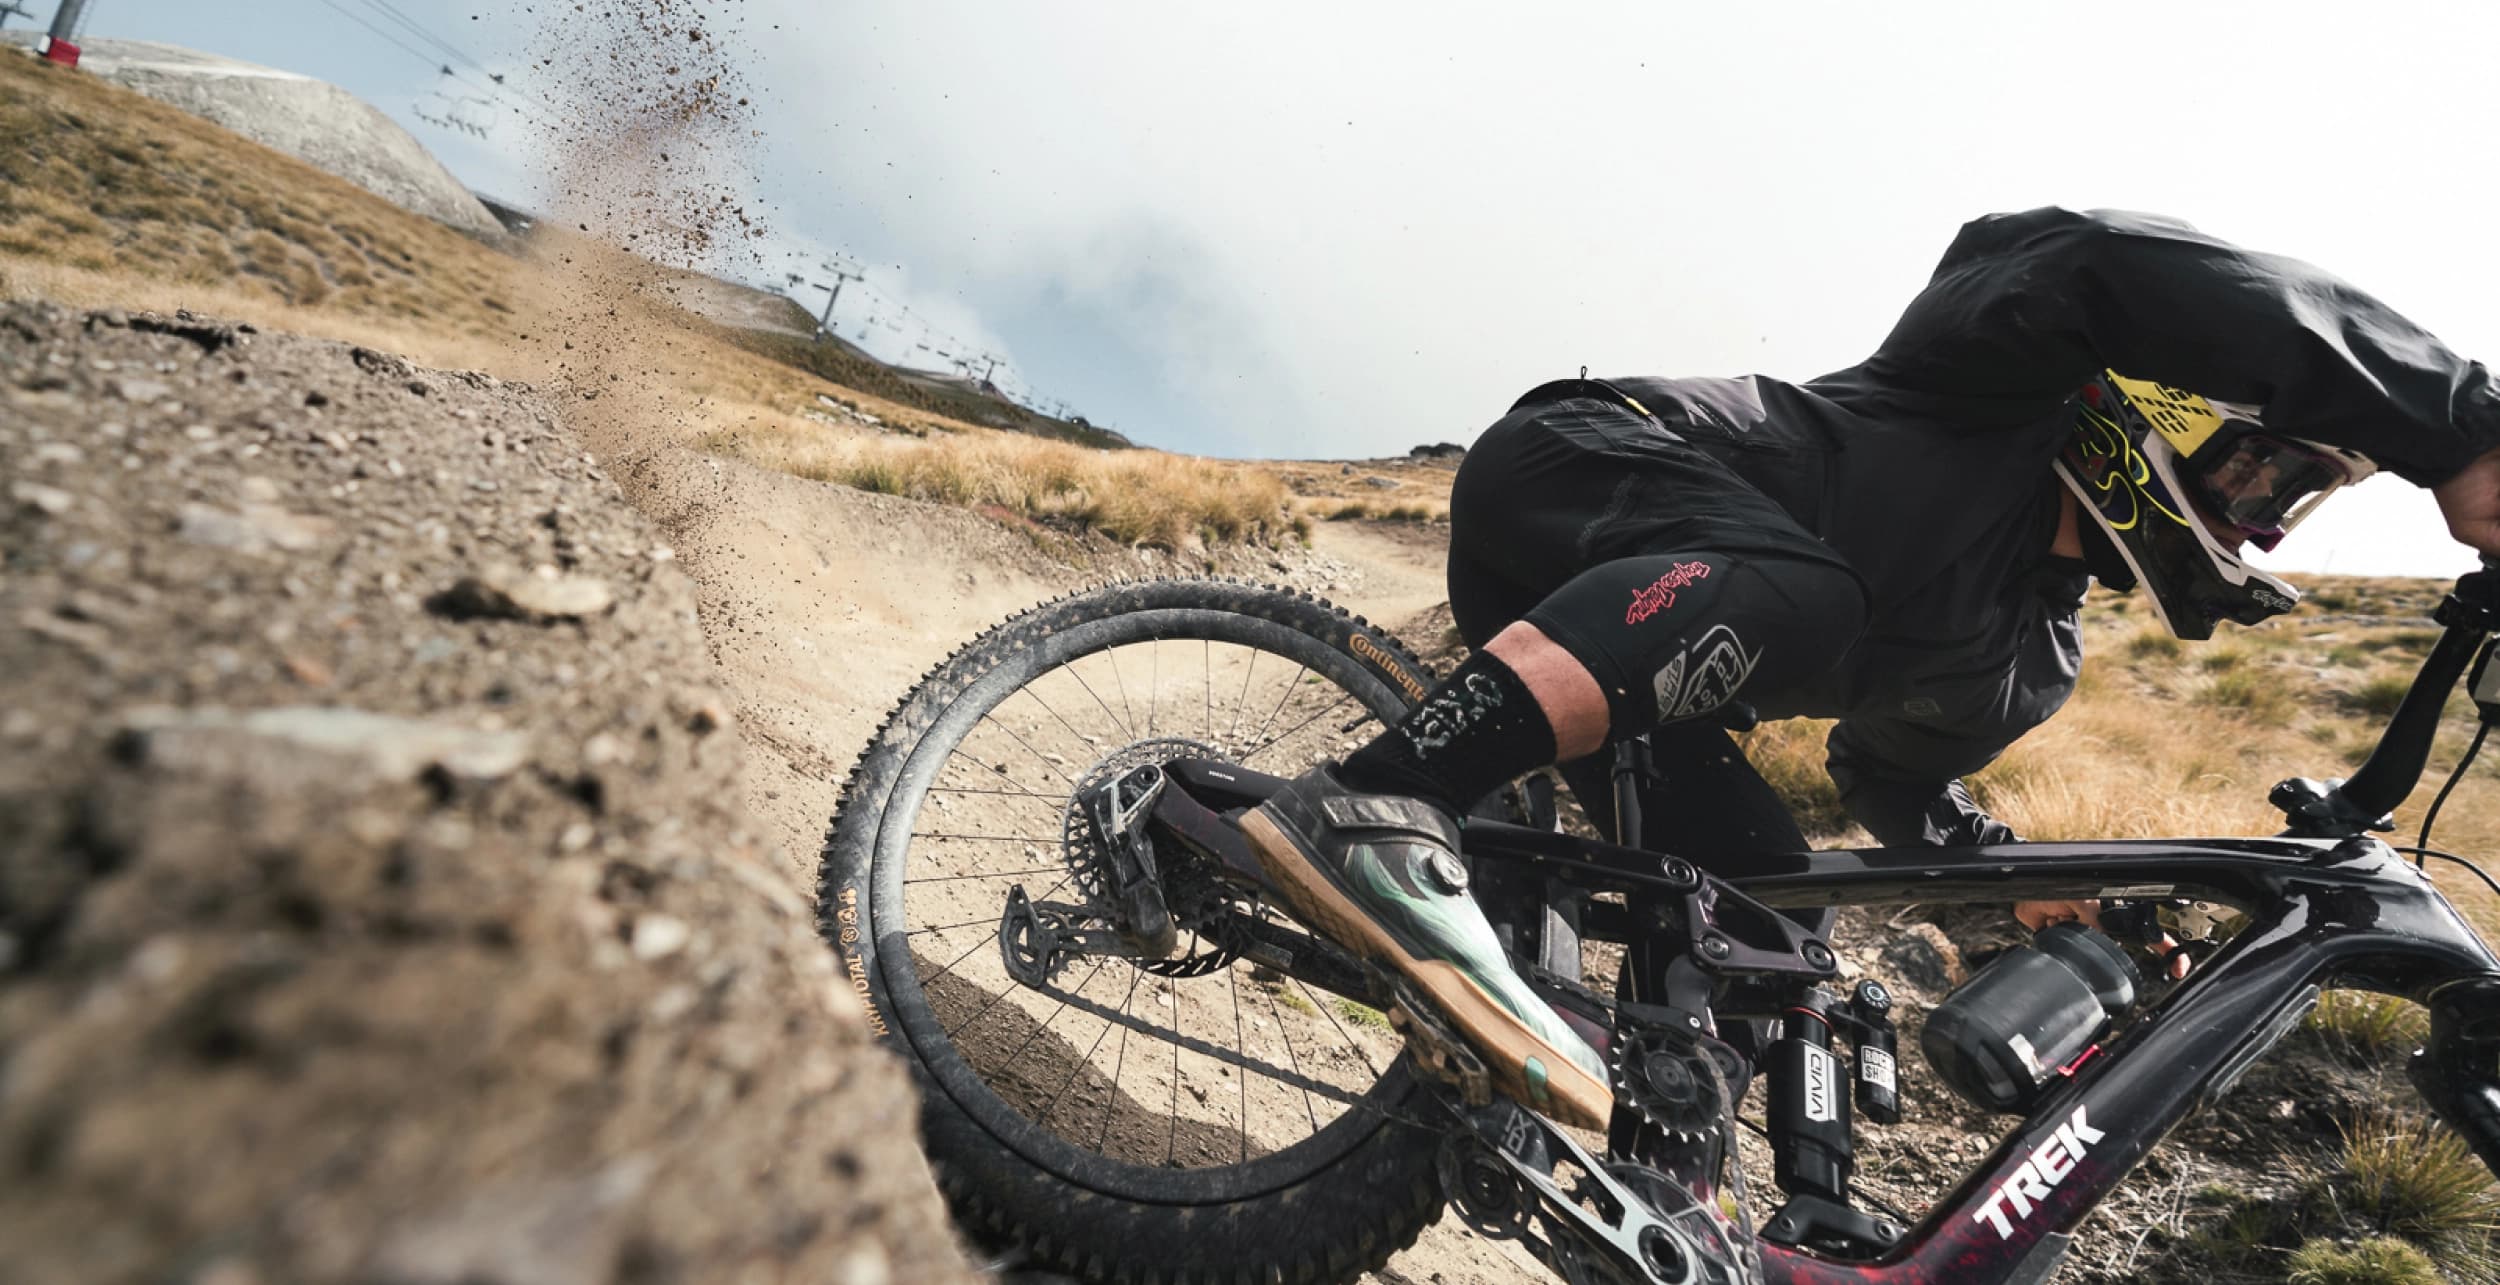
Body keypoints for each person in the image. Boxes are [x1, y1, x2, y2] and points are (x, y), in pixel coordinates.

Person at [1238, 207, 2500, 1130]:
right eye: (2260, 472)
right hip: (1583, 462)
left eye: (2287, 505)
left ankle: (1653, 1158)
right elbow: (2094, 263)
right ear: (2163, 410)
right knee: (1811, 595)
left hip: (1631, 662)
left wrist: (2016, 892)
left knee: (1773, 909)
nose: (2260, 519)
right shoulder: (1996, 385)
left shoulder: (2028, 660)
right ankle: (1377, 797)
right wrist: (2452, 426)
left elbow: (1891, 780)